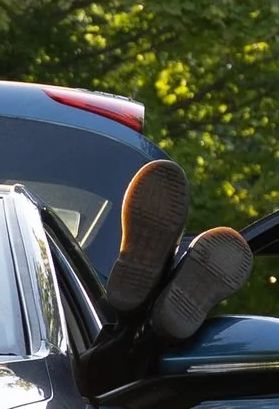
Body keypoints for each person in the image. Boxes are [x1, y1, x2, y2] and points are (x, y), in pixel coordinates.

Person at [81, 157, 251, 386]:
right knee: (115, 369)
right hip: (85, 382)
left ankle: (137, 322)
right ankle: (148, 329)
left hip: (72, 383)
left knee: (94, 373)